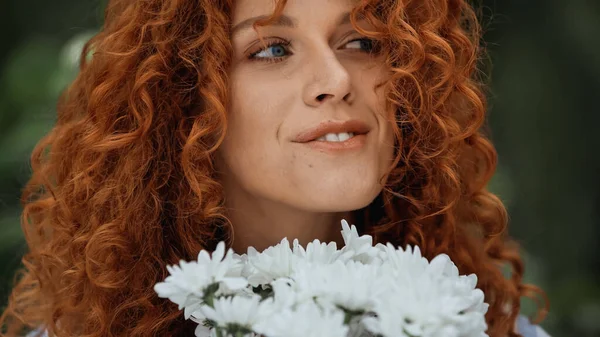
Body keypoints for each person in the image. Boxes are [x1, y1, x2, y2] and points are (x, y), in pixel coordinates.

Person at [0, 0, 551, 336]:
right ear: (183, 99)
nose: (336, 78)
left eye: (361, 41)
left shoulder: (487, 328)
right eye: (271, 50)